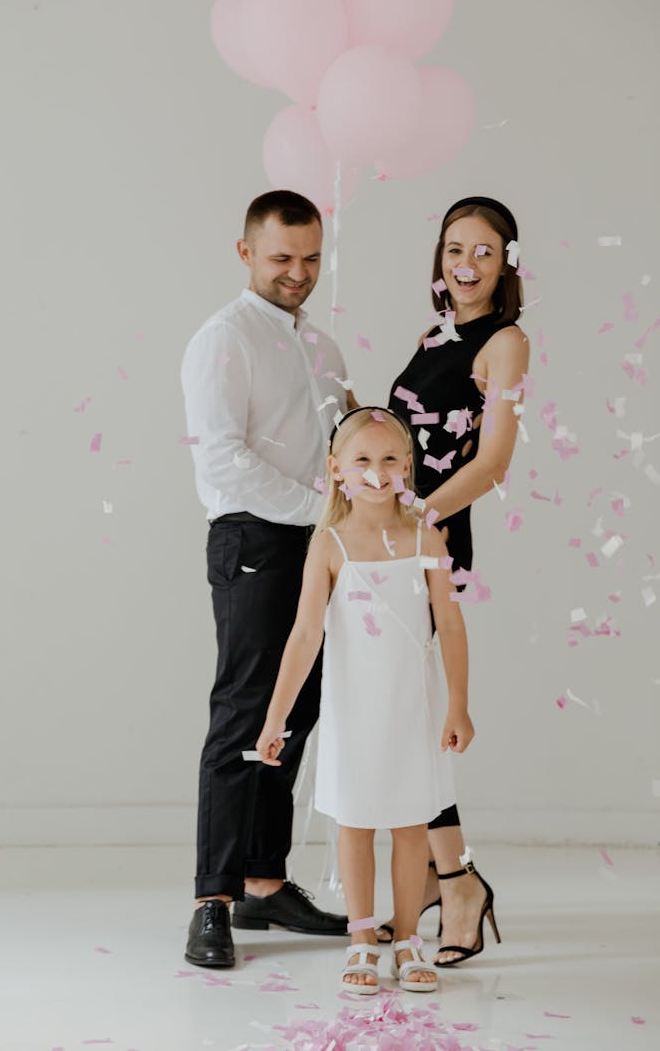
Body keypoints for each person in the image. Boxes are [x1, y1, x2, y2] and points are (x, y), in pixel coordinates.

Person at [181, 190, 354, 969]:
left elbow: (336, 442)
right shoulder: (221, 340)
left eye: (311, 257)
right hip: (254, 537)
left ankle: (264, 879)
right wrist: (322, 510)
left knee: (298, 710)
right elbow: (223, 460)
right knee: (245, 711)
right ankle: (211, 902)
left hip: (316, 544)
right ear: (245, 250)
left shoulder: (321, 347)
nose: (298, 272)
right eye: (282, 257)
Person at [256, 406, 480, 994]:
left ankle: (407, 939)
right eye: (362, 461)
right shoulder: (328, 545)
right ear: (336, 470)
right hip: (354, 707)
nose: (377, 473)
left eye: (388, 460)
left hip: (414, 706)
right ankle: (362, 939)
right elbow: (305, 635)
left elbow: (450, 626)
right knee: (355, 824)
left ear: (407, 466)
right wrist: (276, 716)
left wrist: (458, 704)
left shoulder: (426, 536)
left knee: (410, 825)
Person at [382, 195, 529, 966]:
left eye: (482, 251)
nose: (465, 265)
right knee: (399, 712)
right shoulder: (432, 332)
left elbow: (493, 461)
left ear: (508, 261)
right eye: (452, 249)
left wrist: (414, 517)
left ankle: (459, 879)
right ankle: (450, 874)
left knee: (411, 713)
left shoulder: (506, 342)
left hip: (431, 535)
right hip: (387, 533)